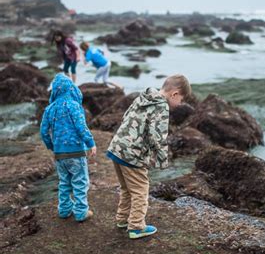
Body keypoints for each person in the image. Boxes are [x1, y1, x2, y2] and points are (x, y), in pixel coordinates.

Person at [107, 75, 192, 239]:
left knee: (126, 188)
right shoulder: (161, 107)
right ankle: (137, 226)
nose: (180, 104)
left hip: (117, 147)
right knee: (140, 190)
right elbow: (157, 137)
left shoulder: (144, 96)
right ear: (174, 94)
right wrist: (162, 160)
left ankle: (123, 219)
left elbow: (126, 115)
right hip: (133, 154)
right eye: (181, 100)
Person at [40, 73, 97, 222]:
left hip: (59, 154)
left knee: (64, 182)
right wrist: (91, 143)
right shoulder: (74, 105)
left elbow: (43, 131)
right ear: (71, 88)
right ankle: (81, 212)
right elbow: (81, 127)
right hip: (76, 152)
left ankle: (64, 210)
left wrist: (51, 146)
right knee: (80, 181)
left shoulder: (49, 109)